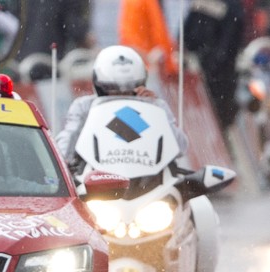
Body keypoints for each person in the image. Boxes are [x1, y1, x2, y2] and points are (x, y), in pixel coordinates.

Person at [55, 44, 188, 171]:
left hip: (149, 179)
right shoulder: (84, 106)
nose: (121, 96)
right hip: (98, 178)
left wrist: (155, 112)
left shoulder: (156, 105)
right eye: (113, 90)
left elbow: (180, 147)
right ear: (100, 87)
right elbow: (66, 143)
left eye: (128, 90)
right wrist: (64, 163)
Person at [183, 0, 246, 130]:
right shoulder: (201, 3)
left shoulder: (232, 7)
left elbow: (227, 46)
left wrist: (208, 66)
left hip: (218, 77)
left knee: (219, 119)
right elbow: (187, 33)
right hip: (202, 72)